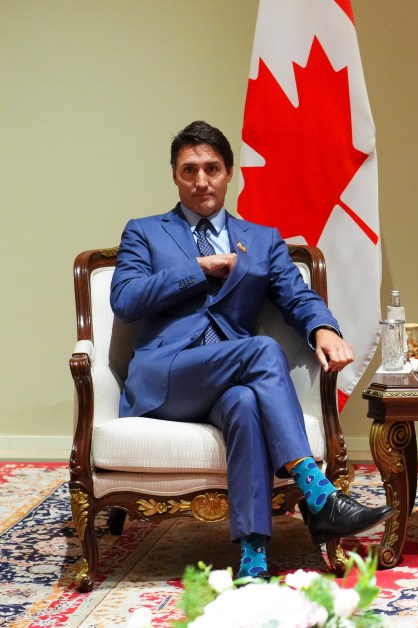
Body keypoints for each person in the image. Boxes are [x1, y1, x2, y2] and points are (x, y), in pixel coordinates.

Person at [111, 120, 393, 579]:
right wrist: (200, 267)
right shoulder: (145, 232)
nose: (201, 180)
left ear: (229, 173)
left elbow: (297, 297)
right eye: (189, 170)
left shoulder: (261, 239)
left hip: (229, 382)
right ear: (175, 176)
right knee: (260, 350)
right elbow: (124, 300)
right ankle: (317, 494)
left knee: (244, 403)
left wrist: (323, 329)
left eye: (211, 168)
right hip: (166, 378)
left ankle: (253, 556)